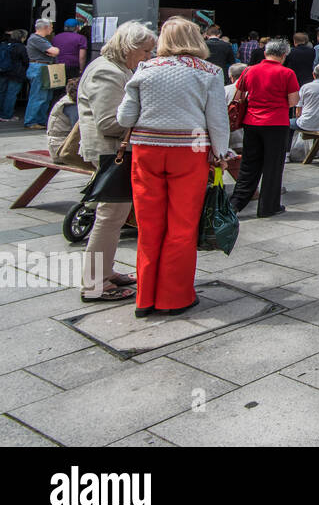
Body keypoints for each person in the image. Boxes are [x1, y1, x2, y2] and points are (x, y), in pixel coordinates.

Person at [116, 17, 230, 317]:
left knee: (149, 225)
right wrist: (220, 153)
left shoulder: (145, 68)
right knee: (182, 225)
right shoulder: (210, 72)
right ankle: (174, 296)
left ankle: (145, 298)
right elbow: (217, 120)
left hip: (147, 150)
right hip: (189, 151)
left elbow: (125, 118)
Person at [77, 21, 156, 302]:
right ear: (130, 47)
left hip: (114, 151)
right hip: (110, 152)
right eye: (145, 51)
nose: (148, 57)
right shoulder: (107, 72)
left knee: (113, 217)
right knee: (109, 217)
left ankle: (105, 272)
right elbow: (109, 122)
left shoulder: (116, 68)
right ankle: (94, 283)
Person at [229, 38, 299, 217]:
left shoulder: (249, 70)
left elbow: (238, 95)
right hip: (276, 123)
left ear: (266, 52)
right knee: (273, 167)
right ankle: (269, 206)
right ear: (283, 55)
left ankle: (234, 205)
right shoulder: (287, 73)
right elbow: (293, 101)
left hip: (252, 122)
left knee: (248, 166)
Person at [23, 19, 60, 129]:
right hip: (39, 68)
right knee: (38, 96)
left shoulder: (39, 39)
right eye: (51, 27)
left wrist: (51, 52)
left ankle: (40, 120)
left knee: (46, 96)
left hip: (42, 67)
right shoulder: (37, 39)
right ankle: (31, 121)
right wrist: (54, 50)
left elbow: (51, 52)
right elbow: (54, 51)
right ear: (45, 27)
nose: (52, 29)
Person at [46, 77, 89, 168]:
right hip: (61, 151)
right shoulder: (71, 105)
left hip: (60, 146)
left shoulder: (68, 100)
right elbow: (78, 129)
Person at [291, 65, 319, 136]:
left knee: (288, 123)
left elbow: (298, 111)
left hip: (306, 122)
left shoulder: (305, 87)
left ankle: (287, 145)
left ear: (313, 74)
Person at [0, 29, 27, 121]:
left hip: (3, 72)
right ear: (22, 37)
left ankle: (1, 113)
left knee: (2, 92)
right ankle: (7, 115)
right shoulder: (20, 47)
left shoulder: (4, 45)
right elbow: (25, 61)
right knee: (11, 94)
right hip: (16, 73)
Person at [224, 64, 247, 156]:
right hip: (250, 134)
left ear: (231, 77)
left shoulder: (225, 90)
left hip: (231, 135)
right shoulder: (254, 89)